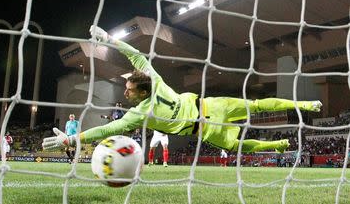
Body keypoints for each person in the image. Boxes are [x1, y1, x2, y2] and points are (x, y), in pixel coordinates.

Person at [42, 26, 322, 155]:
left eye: (129, 89)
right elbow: (135, 57)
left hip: (209, 110)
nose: (125, 93)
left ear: (141, 92)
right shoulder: (147, 92)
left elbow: (104, 130)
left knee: (257, 105)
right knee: (238, 145)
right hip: (206, 123)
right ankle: (277, 145)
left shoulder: (142, 106)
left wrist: (111, 40)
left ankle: (305, 106)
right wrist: (109, 40)